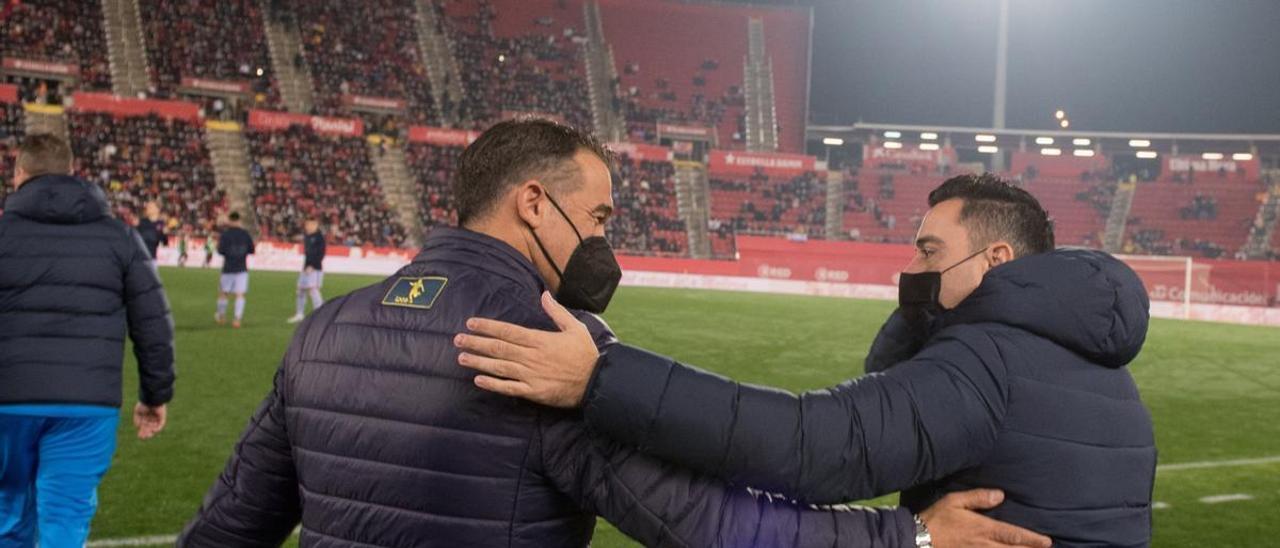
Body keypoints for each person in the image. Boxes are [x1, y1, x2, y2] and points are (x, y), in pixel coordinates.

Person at [179, 121, 1048, 547]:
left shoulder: (327, 328)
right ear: (531, 203)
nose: (602, 241)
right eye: (594, 217)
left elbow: (228, 530)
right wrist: (913, 537)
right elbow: (706, 522)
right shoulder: (548, 345)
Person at [456, 173, 1155, 547]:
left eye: (928, 251)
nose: (910, 267)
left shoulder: (989, 359)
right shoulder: (1109, 378)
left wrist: (600, 377)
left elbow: (813, 448)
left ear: (997, 259)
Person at [0, 134, 175, 546]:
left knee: (8, 511)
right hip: (86, 404)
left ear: (18, 175)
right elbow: (153, 323)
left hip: (7, 401)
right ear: (71, 173)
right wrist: (154, 394)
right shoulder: (119, 237)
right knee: (65, 521)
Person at [215, 212, 255, 328]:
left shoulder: (225, 234)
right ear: (239, 220)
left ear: (229, 220)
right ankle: (237, 319)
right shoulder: (245, 234)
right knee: (240, 294)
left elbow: (220, 251)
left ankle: (221, 316)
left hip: (228, 268)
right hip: (242, 268)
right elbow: (252, 250)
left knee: (223, 293)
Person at [287, 218, 325, 323]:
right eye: (307, 224)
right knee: (300, 289)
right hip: (306, 267)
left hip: (314, 268)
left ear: (316, 225)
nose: (307, 226)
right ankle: (299, 314)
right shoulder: (308, 236)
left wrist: (312, 265)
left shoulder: (319, 238)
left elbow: (321, 253)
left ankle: (321, 314)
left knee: (313, 290)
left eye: (310, 225)